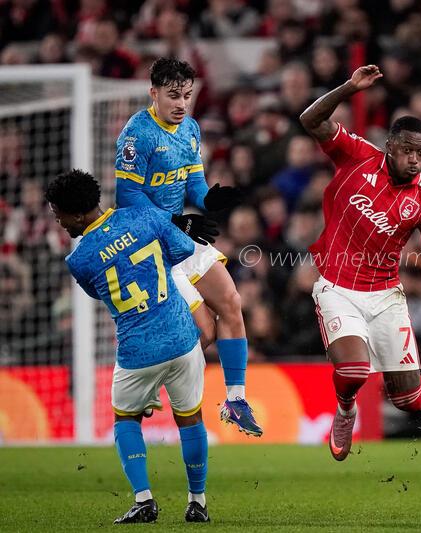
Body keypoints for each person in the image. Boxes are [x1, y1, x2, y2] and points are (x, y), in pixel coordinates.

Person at [299, 65, 421, 461]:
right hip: (337, 288)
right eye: (408, 150)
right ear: (390, 146)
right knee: (354, 371)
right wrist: (349, 88)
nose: (415, 160)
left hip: (385, 297)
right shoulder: (357, 156)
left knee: (407, 398)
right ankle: (346, 411)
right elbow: (310, 120)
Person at [46, 170, 212, 523]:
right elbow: (184, 248)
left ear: (78, 215)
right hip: (182, 337)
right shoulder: (144, 214)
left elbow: (99, 291)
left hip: (138, 351)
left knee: (126, 419)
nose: (59, 222)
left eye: (59, 215)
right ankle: (197, 502)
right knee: (190, 418)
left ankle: (144, 500)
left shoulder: (78, 260)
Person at [114, 57, 262, 436]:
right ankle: (150, 382)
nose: (182, 104)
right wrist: (176, 221)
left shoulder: (191, 129)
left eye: (187, 96)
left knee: (231, 302)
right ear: (154, 93)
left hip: (180, 237)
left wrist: (210, 198)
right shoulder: (137, 135)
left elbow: (193, 183)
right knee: (204, 331)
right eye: (173, 96)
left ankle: (235, 401)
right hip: (150, 247)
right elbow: (127, 196)